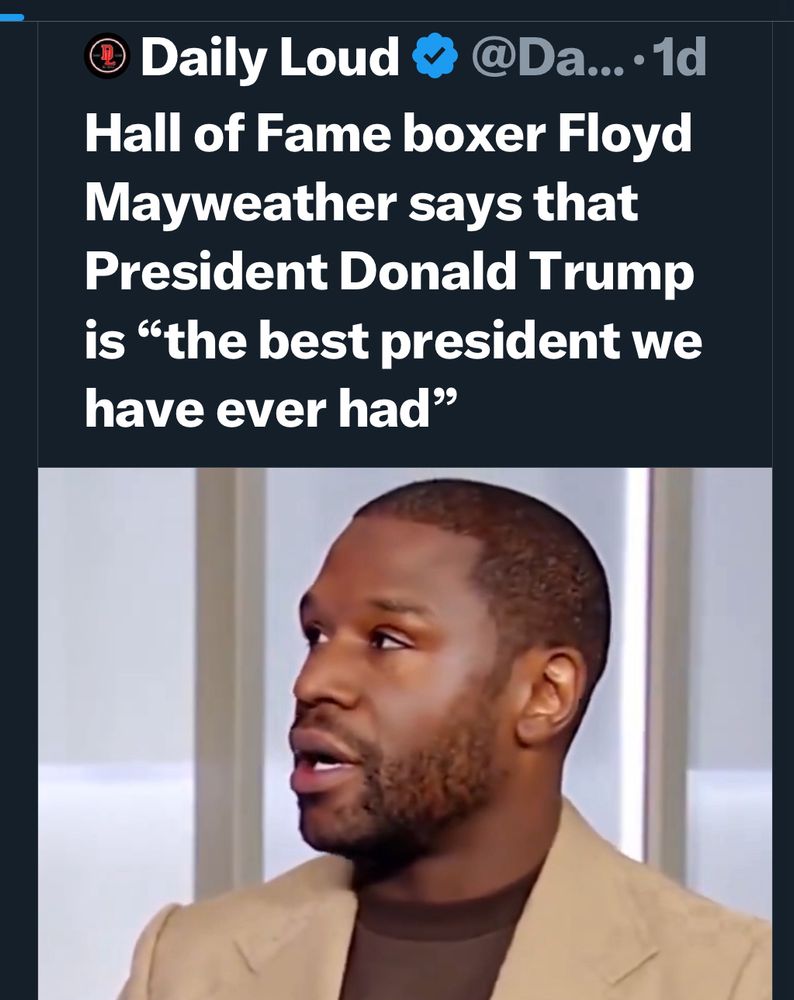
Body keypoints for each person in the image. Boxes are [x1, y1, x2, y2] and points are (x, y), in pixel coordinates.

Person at [119, 478, 771, 1000]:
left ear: (545, 695)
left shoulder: (734, 979)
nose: (313, 681)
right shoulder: (186, 962)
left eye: (386, 641)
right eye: (316, 635)